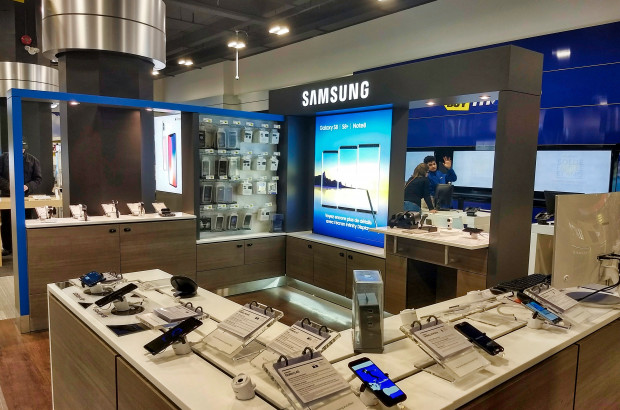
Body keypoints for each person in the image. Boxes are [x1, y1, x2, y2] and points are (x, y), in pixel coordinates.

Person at [0, 141, 42, 255]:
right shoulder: (3, 159)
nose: (21, 151)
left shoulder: (33, 160)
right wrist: (9, 186)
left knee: (25, 221)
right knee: (6, 222)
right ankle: (7, 247)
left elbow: (38, 179)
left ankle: (25, 247)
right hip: (7, 196)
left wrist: (27, 186)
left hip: (25, 197)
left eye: (23, 149)